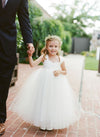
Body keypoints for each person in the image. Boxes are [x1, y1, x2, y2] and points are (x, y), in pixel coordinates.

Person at [10, 35, 81, 131]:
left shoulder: (61, 59)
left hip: (57, 84)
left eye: (55, 46)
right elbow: (32, 64)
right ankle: (43, 122)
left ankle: (51, 122)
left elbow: (65, 71)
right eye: (51, 46)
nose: (53, 48)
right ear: (47, 47)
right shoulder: (44, 57)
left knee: (53, 102)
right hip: (44, 83)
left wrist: (59, 71)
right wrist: (30, 56)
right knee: (43, 101)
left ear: (59, 47)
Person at [0, 0, 35, 135]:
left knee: (3, 83)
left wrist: (29, 42)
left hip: (7, 44)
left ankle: (0, 120)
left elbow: (24, 19)